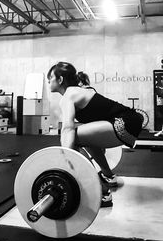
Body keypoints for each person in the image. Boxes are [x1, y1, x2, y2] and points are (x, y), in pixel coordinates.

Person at [47, 62, 143, 207]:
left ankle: (101, 192)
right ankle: (108, 176)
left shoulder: (68, 95)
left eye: (50, 78)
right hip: (132, 122)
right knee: (86, 137)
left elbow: (67, 128)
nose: (48, 81)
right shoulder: (81, 90)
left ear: (60, 80)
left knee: (75, 139)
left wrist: (67, 155)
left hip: (123, 123)